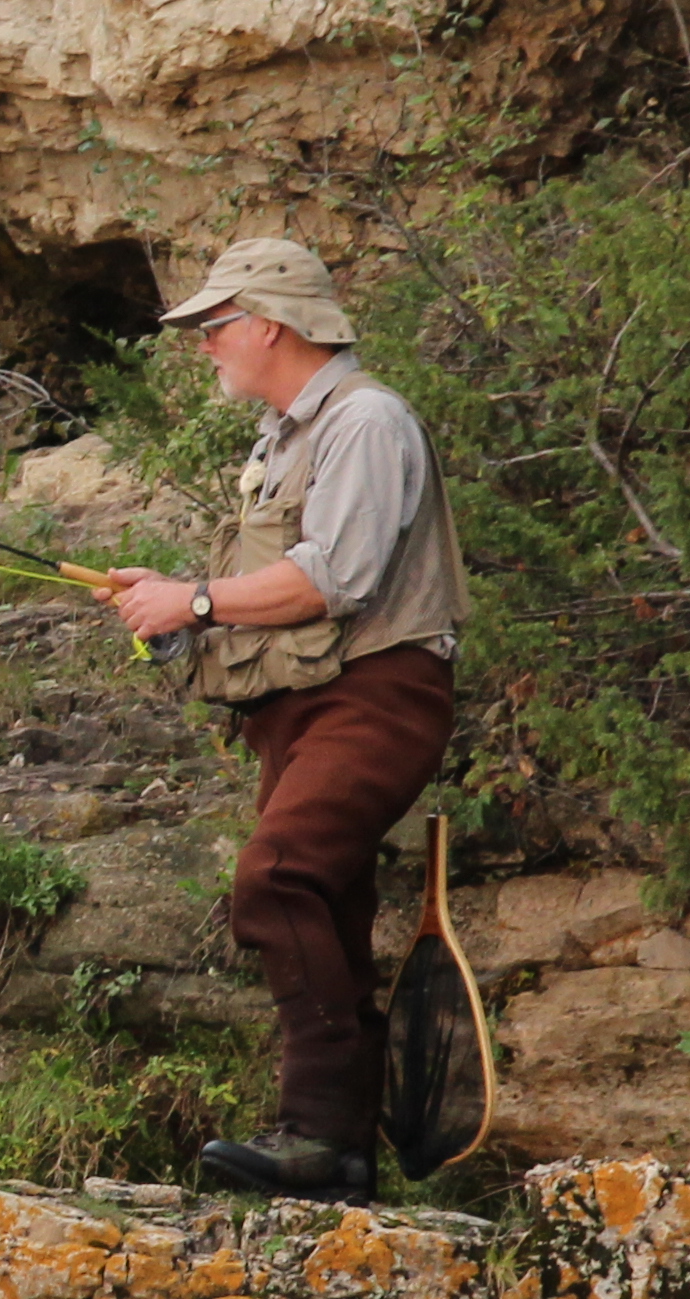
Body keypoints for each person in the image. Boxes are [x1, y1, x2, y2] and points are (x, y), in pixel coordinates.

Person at [102, 236, 467, 1201]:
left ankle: (314, 1134)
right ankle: (339, 1162)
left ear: (268, 324)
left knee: (276, 879)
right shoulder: (289, 435)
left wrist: (197, 601)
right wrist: (175, 611)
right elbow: (264, 596)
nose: (204, 345)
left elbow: (333, 580)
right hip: (302, 710)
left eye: (215, 327)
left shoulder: (367, 421)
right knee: (329, 911)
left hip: (379, 695)